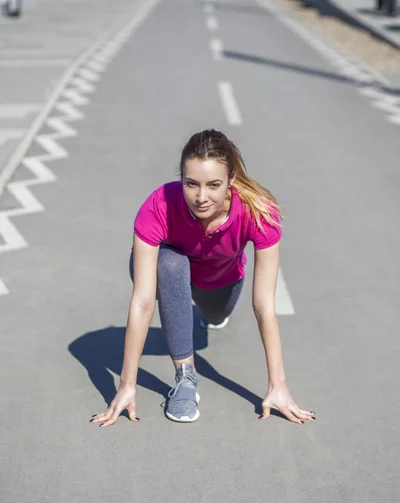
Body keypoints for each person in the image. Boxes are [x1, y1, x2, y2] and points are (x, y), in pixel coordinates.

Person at [91, 129, 316, 426]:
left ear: (231, 181)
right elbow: (144, 301)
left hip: (220, 279)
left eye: (213, 185)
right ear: (181, 178)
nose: (201, 197)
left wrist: (278, 385)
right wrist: (126, 385)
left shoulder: (259, 212)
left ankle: (204, 314)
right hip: (171, 270)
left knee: (216, 312)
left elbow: (263, 304)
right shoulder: (159, 205)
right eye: (191, 184)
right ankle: (186, 378)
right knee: (171, 266)